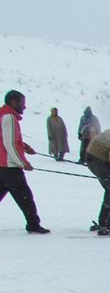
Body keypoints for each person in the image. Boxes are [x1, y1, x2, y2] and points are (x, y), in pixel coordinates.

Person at [0, 90, 50, 233]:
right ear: (13, 102)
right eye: (22, 103)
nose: (24, 107)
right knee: (25, 197)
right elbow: (8, 143)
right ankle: (33, 225)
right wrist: (22, 162)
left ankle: (33, 223)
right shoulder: (9, 117)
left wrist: (25, 147)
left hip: (2, 165)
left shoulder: (3, 115)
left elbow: (8, 140)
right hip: (10, 167)